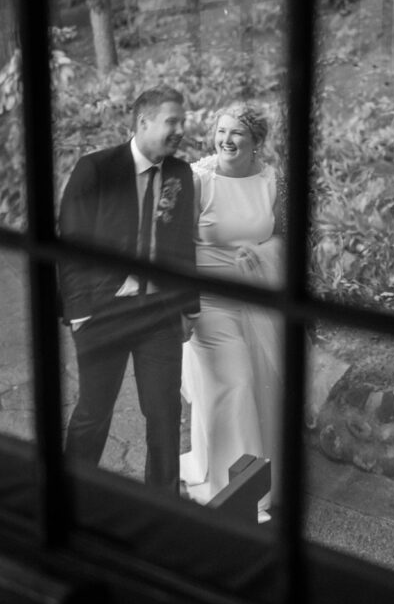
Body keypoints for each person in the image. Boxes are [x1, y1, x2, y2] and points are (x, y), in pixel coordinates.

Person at [59, 86, 199, 494]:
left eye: (182, 121)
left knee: (164, 414)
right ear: (143, 122)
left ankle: (163, 506)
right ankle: (70, 496)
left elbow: (182, 245)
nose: (180, 129)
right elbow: (69, 243)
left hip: (159, 312)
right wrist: (80, 312)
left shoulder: (179, 174)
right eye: (172, 121)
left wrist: (188, 308)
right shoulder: (96, 170)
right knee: (93, 413)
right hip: (103, 311)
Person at [180, 102, 283, 521]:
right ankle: (236, 491)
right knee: (237, 382)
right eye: (221, 131)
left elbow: (286, 238)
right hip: (208, 303)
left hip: (256, 298)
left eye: (236, 132)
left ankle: (262, 473)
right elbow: (174, 244)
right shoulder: (198, 181)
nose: (226, 140)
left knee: (262, 386)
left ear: (257, 142)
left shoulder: (274, 181)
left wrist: (262, 253)